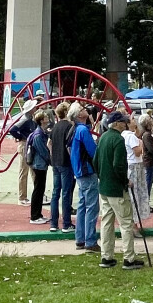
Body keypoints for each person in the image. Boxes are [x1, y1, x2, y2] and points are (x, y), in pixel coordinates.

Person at [96, 112, 143, 269]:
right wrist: (125, 181)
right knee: (126, 223)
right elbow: (119, 165)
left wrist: (102, 176)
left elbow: (95, 161)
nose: (125, 124)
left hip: (104, 187)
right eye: (123, 122)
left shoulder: (103, 137)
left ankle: (106, 256)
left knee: (106, 223)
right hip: (117, 188)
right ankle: (129, 258)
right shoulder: (118, 139)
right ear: (116, 123)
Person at [70, 104, 101, 252]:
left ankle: (80, 238)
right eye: (83, 109)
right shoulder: (83, 130)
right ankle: (90, 240)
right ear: (79, 114)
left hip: (79, 171)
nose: (86, 111)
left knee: (82, 205)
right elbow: (92, 150)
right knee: (92, 207)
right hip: (87, 171)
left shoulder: (75, 129)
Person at [48, 102, 76, 234]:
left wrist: (53, 155)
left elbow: (49, 143)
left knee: (55, 193)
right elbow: (69, 146)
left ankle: (53, 223)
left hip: (56, 162)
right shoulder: (70, 126)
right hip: (66, 162)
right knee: (66, 193)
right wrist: (73, 160)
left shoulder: (55, 127)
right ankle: (66, 223)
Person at [122, 116, 148, 226]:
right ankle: (135, 224)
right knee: (136, 194)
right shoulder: (130, 136)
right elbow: (137, 151)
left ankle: (134, 222)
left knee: (134, 195)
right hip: (135, 166)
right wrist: (141, 143)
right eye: (133, 120)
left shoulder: (124, 135)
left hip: (130, 165)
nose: (135, 121)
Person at [27, 111, 51, 224]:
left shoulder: (40, 132)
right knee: (38, 189)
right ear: (41, 120)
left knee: (40, 189)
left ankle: (38, 214)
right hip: (39, 164)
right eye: (46, 116)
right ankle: (34, 215)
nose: (48, 117)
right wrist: (50, 160)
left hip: (40, 164)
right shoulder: (38, 135)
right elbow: (43, 151)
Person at [140, 115, 153, 212]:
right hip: (149, 162)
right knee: (148, 182)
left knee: (148, 182)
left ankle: (146, 203)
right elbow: (151, 149)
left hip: (149, 161)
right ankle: (146, 204)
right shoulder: (147, 135)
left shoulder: (146, 133)